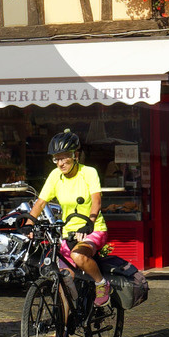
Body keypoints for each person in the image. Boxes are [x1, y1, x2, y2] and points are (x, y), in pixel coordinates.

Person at [30, 129, 110, 307]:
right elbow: (40, 203)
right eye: (56, 159)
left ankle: (101, 283)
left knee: (78, 256)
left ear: (75, 156)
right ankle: (65, 323)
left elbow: (96, 201)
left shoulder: (88, 172)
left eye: (64, 157)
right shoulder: (55, 176)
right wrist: (28, 224)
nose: (60, 163)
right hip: (68, 233)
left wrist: (89, 223)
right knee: (63, 284)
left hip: (93, 229)